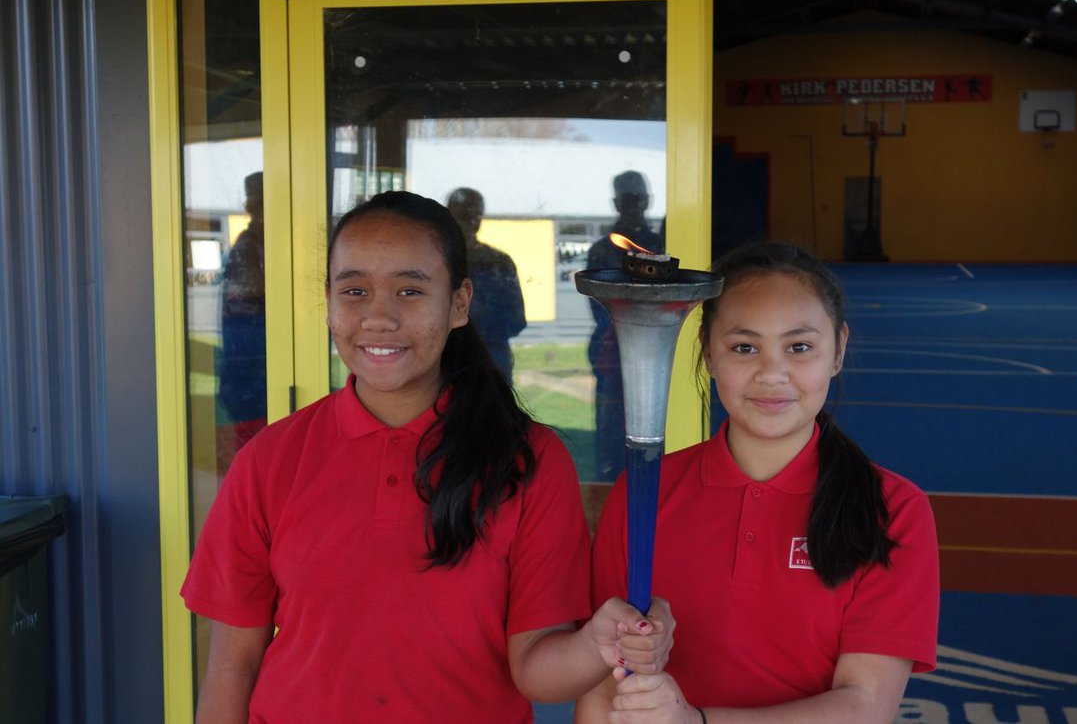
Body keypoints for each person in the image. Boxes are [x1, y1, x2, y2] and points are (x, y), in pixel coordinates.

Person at [181, 191, 674, 723]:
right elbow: (232, 664)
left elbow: (537, 670)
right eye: (354, 290)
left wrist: (599, 643)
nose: (378, 317)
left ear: (459, 303)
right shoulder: (270, 461)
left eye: (410, 291)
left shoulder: (528, 460)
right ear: (328, 301)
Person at [576, 242, 939, 723]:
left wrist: (695, 721)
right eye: (744, 347)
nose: (772, 373)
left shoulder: (893, 509)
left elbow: (865, 706)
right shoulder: (643, 494)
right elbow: (603, 688)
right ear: (708, 353)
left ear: (838, 350)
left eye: (799, 347)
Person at [585, 171, 664, 483]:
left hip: (658, 349)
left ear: (647, 201)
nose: (633, 205)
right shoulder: (602, 250)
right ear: (616, 203)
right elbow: (599, 307)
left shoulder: (660, 245)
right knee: (611, 427)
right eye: (627, 199)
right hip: (612, 352)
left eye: (638, 198)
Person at [446, 187, 526, 383]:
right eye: (464, 215)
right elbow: (516, 321)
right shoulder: (434, 262)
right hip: (459, 361)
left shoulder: (498, 263)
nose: (469, 222)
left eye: (472, 215)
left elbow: (516, 320)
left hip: (487, 362)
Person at [217, 171, 267, 469]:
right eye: (262, 206)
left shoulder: (260, 246)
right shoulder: (248, 250)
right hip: (251, 381)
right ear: (252, 208)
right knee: (256, 466)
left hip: (256, 378)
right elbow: (249, 301)